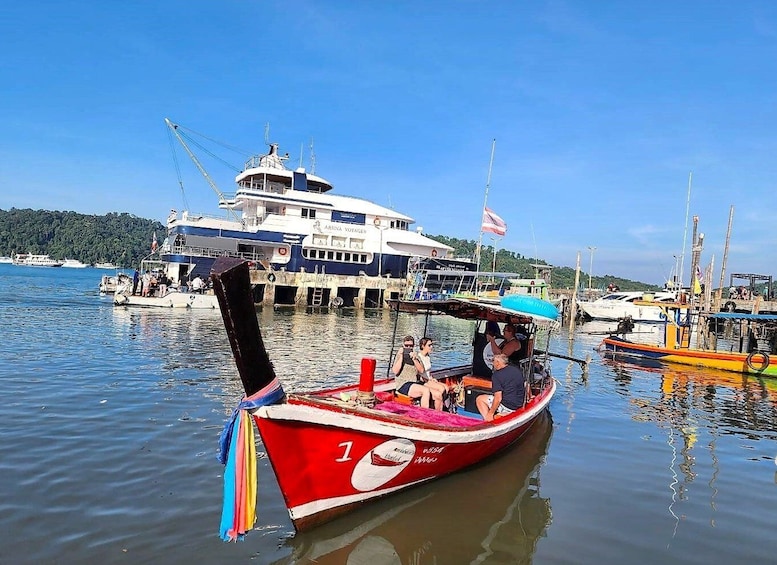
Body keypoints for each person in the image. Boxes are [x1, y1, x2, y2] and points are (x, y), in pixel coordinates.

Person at [476, 354, 528, 421]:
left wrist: (491, 413)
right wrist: (530, 396)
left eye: (493, 361)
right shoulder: (516, 369)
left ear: (497, 363)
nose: (493, 363)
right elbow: (526, 384)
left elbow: (498, 398)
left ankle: (489, 420)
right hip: (519, 404)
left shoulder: (496, 375)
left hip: (507, 406)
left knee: (480, 399)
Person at [391, 336, 431, 408]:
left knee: (437, 392)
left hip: (414, 382)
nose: (408, 348)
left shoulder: (416, 356)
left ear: (413, 346)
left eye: (411, 346)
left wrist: (414, 359)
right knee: (425, 391)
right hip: (403, 383)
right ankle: (425, 414)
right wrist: (401, 357)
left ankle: (437, 413)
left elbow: (421, 370)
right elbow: (395, 371)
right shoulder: (399, 355)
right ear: (403, 345)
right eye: (406, 346)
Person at [417, 337, 445, 411]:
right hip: (423, 381)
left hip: (429, 379)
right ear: (423, 346)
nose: (431, 347)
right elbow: (419, 373)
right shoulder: (419, 357)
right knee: (440, 389)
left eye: (431, 345)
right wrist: (428, 380)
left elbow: (428, 371)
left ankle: (437, 406)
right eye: (429, 345)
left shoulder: (427, 357)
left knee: (446, 388)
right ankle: (435, 409)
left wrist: (432, 378)